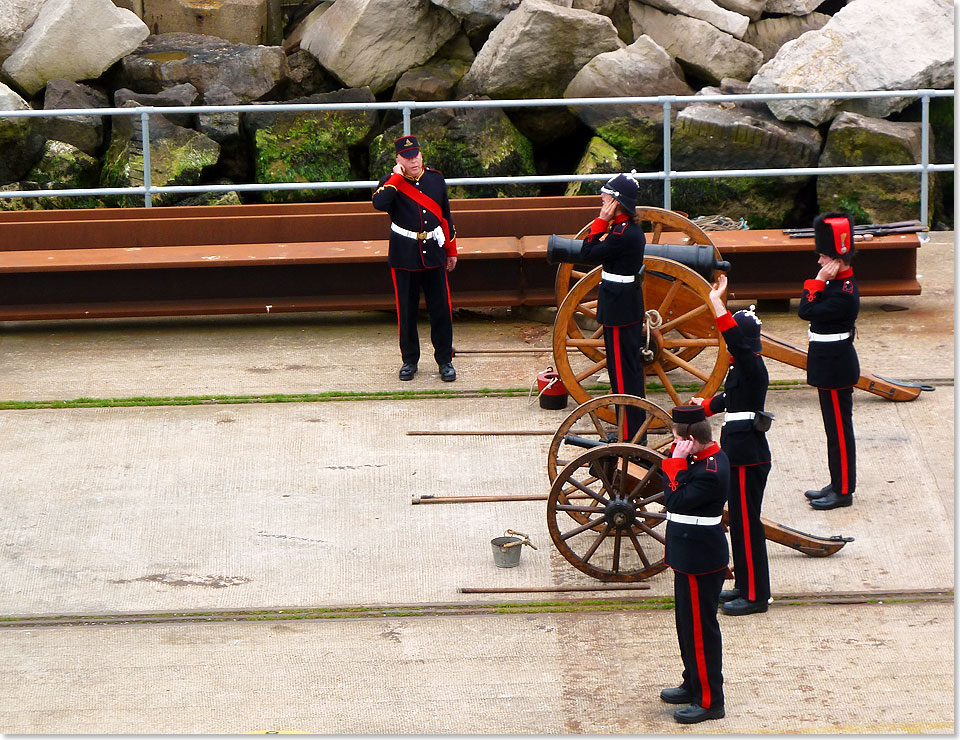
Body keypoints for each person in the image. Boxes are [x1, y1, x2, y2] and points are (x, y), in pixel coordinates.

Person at [693, 274, 772, 616]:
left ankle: (756, 595)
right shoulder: (744, 368)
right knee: (739, 524)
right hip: (740, 453)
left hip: (746, 456)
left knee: (747, 524)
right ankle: (745, 584)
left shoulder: (751, 363)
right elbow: (731, 398)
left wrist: (716, 303)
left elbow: (734, 340)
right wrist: (704, 406)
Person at [659, 404, 729, 724]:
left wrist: (675, 463)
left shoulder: (711, 470)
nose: (673, 446)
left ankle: (710, 700)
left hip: (700, 558)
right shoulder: (699, 462)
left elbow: (674, 500)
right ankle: (693, 683)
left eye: (676, 440)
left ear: (689, 440)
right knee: (687, 627)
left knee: (701, 631)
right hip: (688, 555)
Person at [372, 135, 458, 382]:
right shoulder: (391, 183)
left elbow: (446, 217)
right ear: (398, 160)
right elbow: (379, 203)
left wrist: (451, 251)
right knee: (407, 312)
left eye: (416, 155)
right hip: (404, 255)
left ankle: (445, 360)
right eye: (408, 158)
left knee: (441, 310)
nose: (414, 161)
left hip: (434, 252)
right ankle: (409, 361)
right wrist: (397, 177)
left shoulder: (435, 179)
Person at [577, 173, 647, 436]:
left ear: (616, 203)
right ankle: (632, 430)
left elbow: (587, 253)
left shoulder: (621, 234)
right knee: (625, 372)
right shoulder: (623, 230)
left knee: (623, 376)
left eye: (606, 197)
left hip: (619, 310)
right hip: (622, 306)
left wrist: (600, 222)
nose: (602, 199)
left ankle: (630, 434)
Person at [798, 212, 859, 510]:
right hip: (828, 365)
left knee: (839, 432)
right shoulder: (837, 287)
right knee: (832, 431)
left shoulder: (843, 293)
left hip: (836, 367)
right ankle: (837, 482)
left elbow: (806, 311)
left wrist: (818, 281)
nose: (820, 263)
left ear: (838, 260)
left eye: (824, 257)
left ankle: (844, 490)